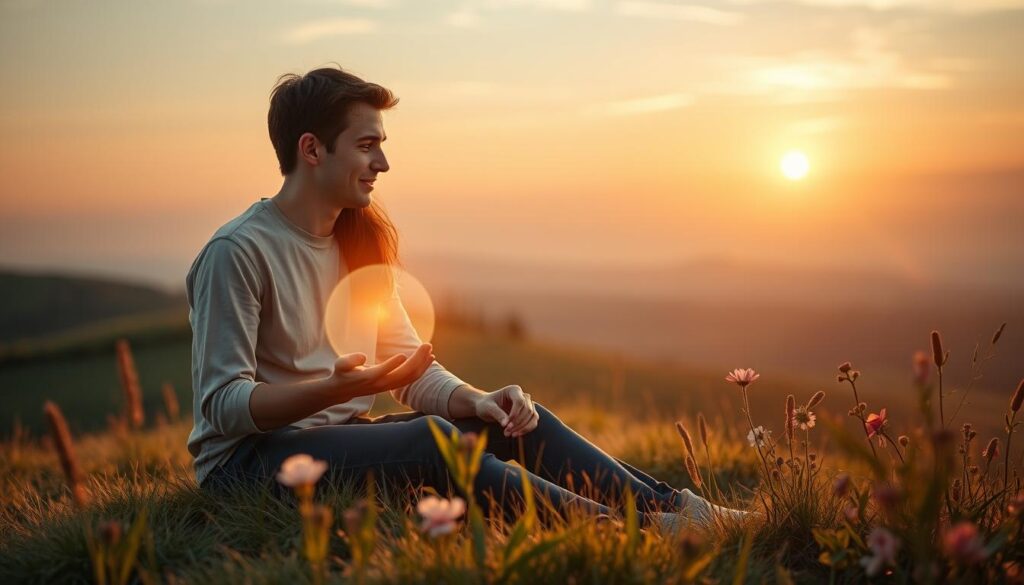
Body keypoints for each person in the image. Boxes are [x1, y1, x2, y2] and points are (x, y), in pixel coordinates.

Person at [186, 65, 748, 532]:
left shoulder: (358, 240)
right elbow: (224, 404)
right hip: (247, 463)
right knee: (432, 441)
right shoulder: (237, 252)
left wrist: (477, 401)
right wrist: (331, 390)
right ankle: (638, 532)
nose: (383, 164)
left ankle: (681, 510)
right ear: (312, 149)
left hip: (337, 439)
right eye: (366, 146)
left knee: (513, 422)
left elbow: (410, 369)